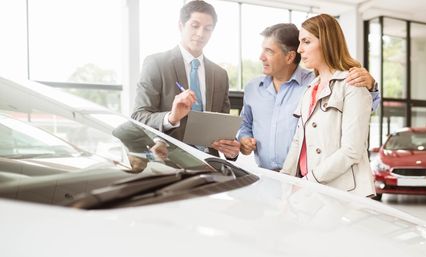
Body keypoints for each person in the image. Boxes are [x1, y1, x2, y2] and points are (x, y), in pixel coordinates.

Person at [237, 23, 380, 171]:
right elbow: (244, 124)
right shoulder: (252, 88)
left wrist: (370, 86)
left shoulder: (315, 84)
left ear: (290, 57)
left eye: (269, 51)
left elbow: (365, 107)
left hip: (305, 177)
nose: (261, 57)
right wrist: (243, 138)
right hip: (265, 175)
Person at [280, 14, 375, 197]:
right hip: (310, 193)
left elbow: (351, 151)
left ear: (327, 41)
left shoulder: (353, 85)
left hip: (341, 195)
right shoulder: (309, 90)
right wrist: (285, 181)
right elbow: (298, 141)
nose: (299, 49)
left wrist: (309, 180)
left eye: (306, 41)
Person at [131, 0, 239, 159]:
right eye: (195, 26)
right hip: (169, 162)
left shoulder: (220, 74)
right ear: (181, 26)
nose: (201, 34)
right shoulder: (156, 64)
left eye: (207, 29)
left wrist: (231, 150)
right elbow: (138, 117)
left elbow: (222, 129)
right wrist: (171, 118)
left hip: (210, 165)